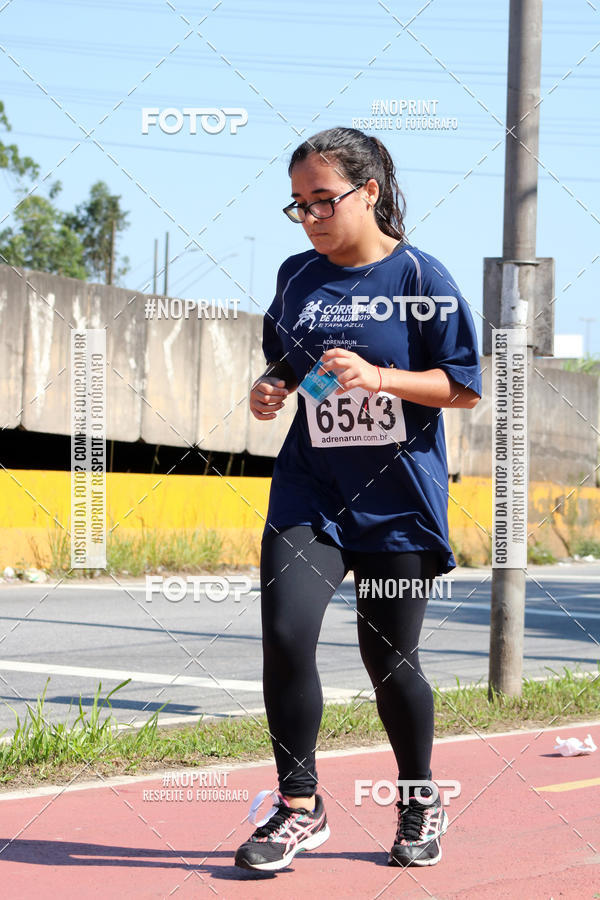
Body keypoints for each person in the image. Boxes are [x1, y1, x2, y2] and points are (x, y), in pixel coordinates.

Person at [234, 127, 481, 872]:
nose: (310, 216)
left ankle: (417, 798)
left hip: (396, 498)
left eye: (323, 199)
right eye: (298, 204)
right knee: (285, 633)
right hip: (311, 488)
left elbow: (462, 386)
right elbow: (295, 369)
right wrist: (272, 391)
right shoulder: (296, 277)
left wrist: (383, 379)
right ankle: (299, 807)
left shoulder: (418, 276)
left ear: (368, 192)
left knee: (389, 659)